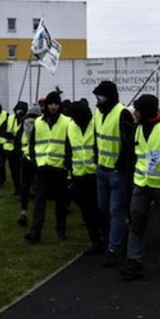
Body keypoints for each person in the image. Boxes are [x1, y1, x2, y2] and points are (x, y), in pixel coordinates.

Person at [122, 94, 160, 279]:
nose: (135, 113)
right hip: (141, 184)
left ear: (146, 111)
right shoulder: (137, 129)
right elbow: (133, 156)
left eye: (138, 110)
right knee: (137, 222)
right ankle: (135, 261)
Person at [92, 81, 134, 267]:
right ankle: (120, 233)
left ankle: (113, 249)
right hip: (102, 169)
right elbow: (97, 138)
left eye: (101, 97)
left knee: (115, 210)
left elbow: (128, 144)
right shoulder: (97, 113)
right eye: (97, 97)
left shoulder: (122, 113)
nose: (99, 100)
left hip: (117, 173)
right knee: (103, 207)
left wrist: (120, 166)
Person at [24, 91, 70, 242]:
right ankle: (35, 231)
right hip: (42, 167)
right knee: (39, 201)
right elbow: (32, 143)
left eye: (56, 104)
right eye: (50, 104)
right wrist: (35, 162)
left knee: (61, 203)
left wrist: (66, 165)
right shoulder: (38, 122)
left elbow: (69, 144)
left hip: (59, 168)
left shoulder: (67, 122)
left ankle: (61, 230)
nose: (53, 107)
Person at [66, 100, 107, 255]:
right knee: (86, 211)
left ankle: (105, 236)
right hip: (78, 175)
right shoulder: (71, 126)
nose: (74, 119)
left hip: (95, 173)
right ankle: (95, 239)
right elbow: (69, 149)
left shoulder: (95, 124)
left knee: (99, 208)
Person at [17, 104, 42, 226]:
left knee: (25, 188)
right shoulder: (42, 127)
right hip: (36, 161)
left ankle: (24, 213)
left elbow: (17, 142)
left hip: (27, 161)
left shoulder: (23, 126)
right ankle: (29, 215)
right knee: (34, 189)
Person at [3, 101, 28, 198]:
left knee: (21, 173)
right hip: (10, 150)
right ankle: (17, 190)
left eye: (21, 110)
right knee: (13, 172)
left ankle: (22, 192)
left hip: (21, 150)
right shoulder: (10, 118)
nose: (19, 112)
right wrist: (9, 136)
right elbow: (3, 130)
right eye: (18, 110)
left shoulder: (26, 121)